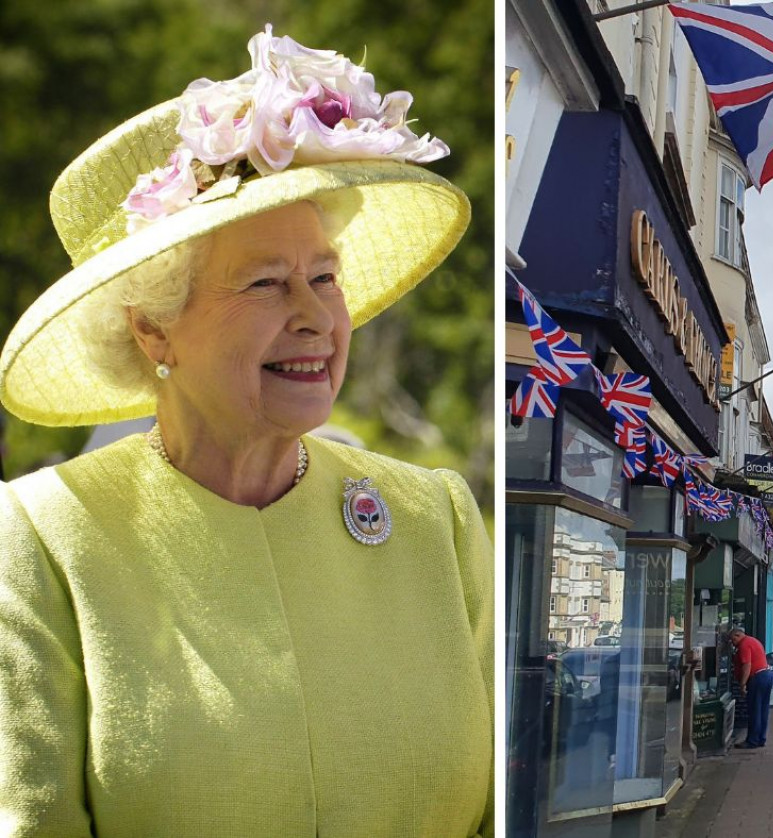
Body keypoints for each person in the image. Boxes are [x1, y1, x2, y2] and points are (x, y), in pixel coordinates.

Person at [0, 27, 492, 837]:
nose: (315, 318)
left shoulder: (434, 521)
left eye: (324, 278)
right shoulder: (45, 538)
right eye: (266, 283)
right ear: (154, 330)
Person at [730, 626, 773, 749]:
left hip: (757, 677)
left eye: (733, 640)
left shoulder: (744, 645)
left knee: (754, 710)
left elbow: (747, 665)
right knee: (763, 709)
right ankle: (761, 738)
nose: (733, 643)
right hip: (766, 674)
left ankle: (752, 740)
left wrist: (742, 684)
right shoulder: (753, 640)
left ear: (738, 635)